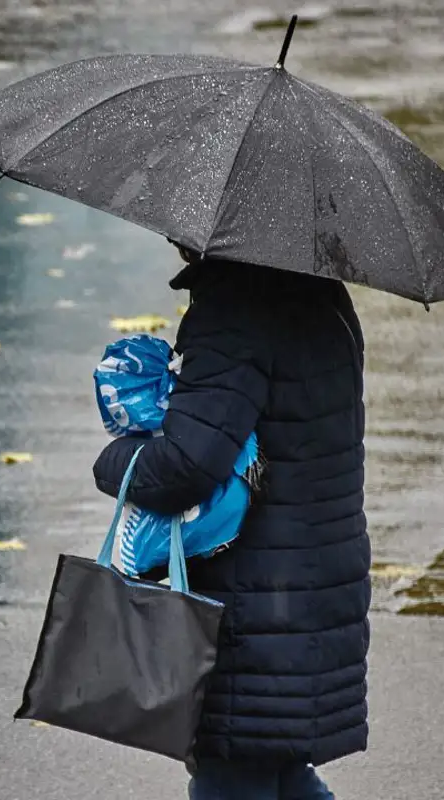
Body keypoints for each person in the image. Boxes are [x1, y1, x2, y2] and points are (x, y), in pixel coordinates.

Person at [93, 244, 371, 800]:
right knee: (278, 770)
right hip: (312, 587)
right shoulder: (321, 294)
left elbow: (186, 465)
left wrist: (115, 462)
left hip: (253, 604)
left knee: (234, 772)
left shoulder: (235, 310)